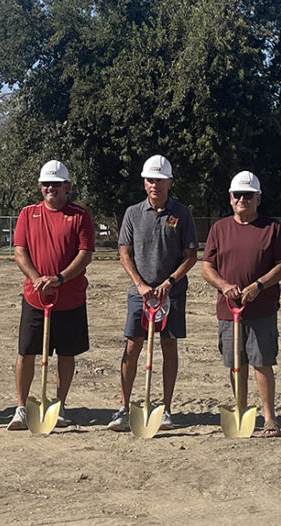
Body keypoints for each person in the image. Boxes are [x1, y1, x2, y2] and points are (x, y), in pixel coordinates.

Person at [107, 155, 198, 432]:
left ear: (169, 182)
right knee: (132, 346)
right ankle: (123, 408)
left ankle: (167, 410)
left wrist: (170, 281)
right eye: (149, 180)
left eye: (159, 180)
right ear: (144, 183)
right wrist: (139, 284)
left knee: (169, 347)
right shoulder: (133, 213)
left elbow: (192, 255)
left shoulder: (182, 213)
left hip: (172, 293)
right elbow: (124, 252)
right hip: (140, 293)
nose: (154, 184)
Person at [201, 171, 281, 437]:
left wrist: (259, 285)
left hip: (262, 308)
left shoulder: (271, 228)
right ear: (230, 198)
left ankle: (270, 418)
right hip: (229, 310)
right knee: (235, 363)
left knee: (262, 361)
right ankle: (240, 410)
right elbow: (207, 268)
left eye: (248, 195)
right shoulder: (219, 229)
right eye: (238, 195)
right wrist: (224, 286)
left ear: (258, 198)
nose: (242, 200)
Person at [8, 160, 95, 430]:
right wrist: (36, 279)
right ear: (40, 186)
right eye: (46, 184)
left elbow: (85, 254)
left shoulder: (80, 216)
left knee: (66, 354)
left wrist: (59, 279)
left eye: (56, 184)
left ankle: (59, 404)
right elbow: (20, 251)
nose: (50, 188)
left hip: (69, 299)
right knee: (26, 352)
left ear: (67, 186)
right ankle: (21, 407)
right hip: (35, 298)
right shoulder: (27, 214)